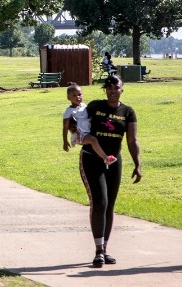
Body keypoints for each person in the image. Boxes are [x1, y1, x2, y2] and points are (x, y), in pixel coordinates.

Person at [79, 75, 142, 267]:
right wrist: (79, 137)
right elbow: (79, 127)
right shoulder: (95, 106)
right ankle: (98, 250)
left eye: (116, 87)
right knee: (100, 202)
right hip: (92, 159)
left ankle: (105, 248)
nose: (113, 90)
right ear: (105, 90)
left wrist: (137, 164)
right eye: (109, 87)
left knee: (110, 205)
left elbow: (132, 140)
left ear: (122, 89)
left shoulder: (128, 112)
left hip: (114, 161)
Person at [62, 83, 117, 166]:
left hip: (89, 130)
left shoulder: (84, 106)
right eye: (74, 96)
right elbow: (65, 127)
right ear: (68, 98)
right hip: (80, 134)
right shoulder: (69, 111)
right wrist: (65, 141)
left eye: (79, 94)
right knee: (93, 140)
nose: (78, 97)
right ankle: (106, 158)